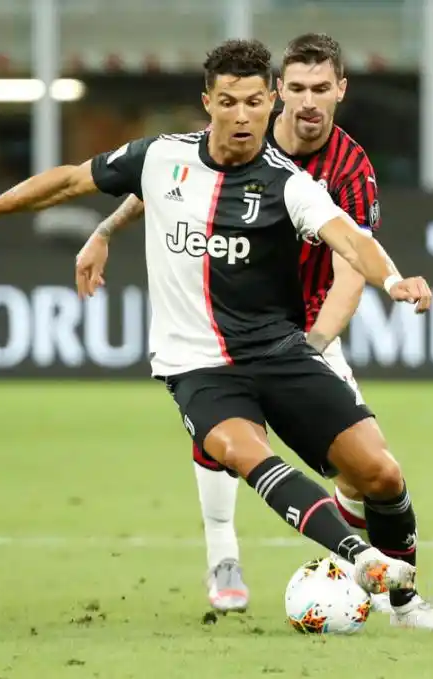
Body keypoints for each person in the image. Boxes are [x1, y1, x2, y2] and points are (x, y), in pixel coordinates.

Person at [0, 38, 433, 632]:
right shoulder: (161, 156)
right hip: (197, 365)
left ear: (269, 105)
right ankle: (349, 559)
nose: (242, 116)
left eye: (254, 103)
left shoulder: (290, 183)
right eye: (229, 102)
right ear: (208, 102)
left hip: (281, 348)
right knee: (245, 452)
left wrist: (392, 280)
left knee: (381, 475)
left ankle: (405, 608)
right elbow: (69, 181)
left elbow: (349, 240)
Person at [88, 33, 400, 619]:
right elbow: (171, 182)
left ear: (341, 91)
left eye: (321, 89)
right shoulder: (244, 129)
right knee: (225, 425)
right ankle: (224, 555)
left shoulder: (350, 169)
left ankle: (365, 572)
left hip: (304, 328)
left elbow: (352, 267)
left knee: (367, 471)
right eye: (298, 88)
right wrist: (105, 229)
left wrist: (312, 347)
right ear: (278, 93)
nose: (308, 102)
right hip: (228, 320)